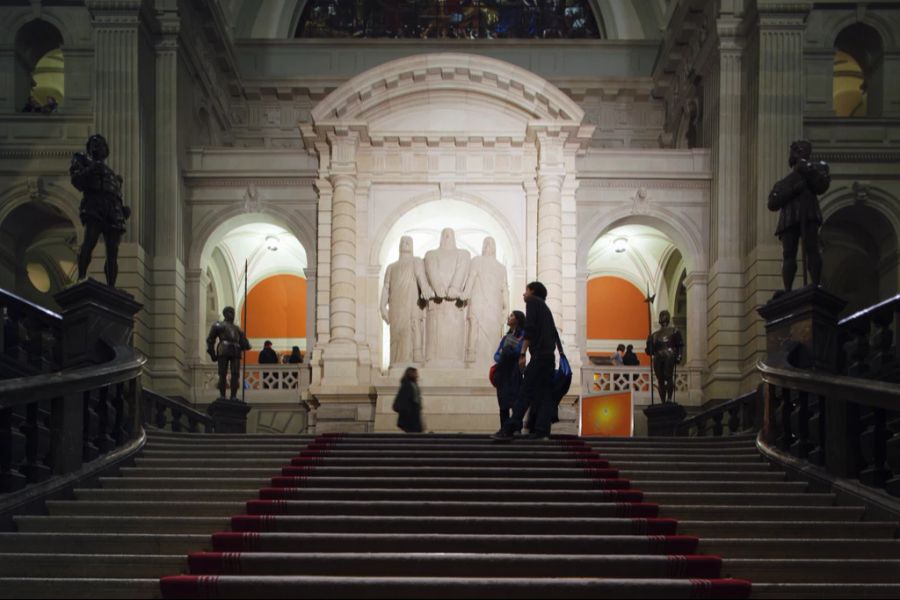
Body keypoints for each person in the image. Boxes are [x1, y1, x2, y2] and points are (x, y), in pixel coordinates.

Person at [492, 281, 558, 441]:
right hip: (549, 358)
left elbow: (530, 329)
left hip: (539, 357)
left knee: (525, 392)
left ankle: (509, 429)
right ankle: (542, 431)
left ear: (532, 291)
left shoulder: (533, 302)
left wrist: (522, 354)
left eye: (526, 291)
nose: (523, 294)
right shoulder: (546, 309)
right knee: (544, 395)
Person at [767, 139, 831, 295]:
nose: (796, 154)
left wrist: (809, 171)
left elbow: (821, 186)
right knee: (789, 253)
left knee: (812, 249)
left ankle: (815, 283)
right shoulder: (783, 183)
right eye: (795, 151)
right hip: (789, 217)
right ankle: (788, 289)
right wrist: (793, 190)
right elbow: (772, 203)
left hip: (808, 213)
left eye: (800, 151)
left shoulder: (815, 171)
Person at [70, 134, 130, 287]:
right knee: (89, 242)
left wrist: (123, 210)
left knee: (112, 252)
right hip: (94, 205)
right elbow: (76, 180)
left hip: (113, 211)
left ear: (106, 149)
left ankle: (111, 286)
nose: (97, 147)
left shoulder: (113, 175)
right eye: (93, 144)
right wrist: (91, 169)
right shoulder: (82, 159)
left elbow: (115, 194)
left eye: (100, 144)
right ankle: (81, 277)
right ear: (89, 149)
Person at [206, 306, 251, 401]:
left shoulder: (237, 329)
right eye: (230, 312)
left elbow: (246, 345)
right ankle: (222, 395)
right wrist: (212, 353)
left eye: (233, 312)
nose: (232, 314)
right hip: (224, 348)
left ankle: (233, 396)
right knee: (222, 373)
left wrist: (243, 338)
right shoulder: (219, 325)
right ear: (225, 313)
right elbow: (210, 339)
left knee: (235, 374)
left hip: (236, 350)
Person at [492, 310, 525, 430]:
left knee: (515, 402)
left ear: (518, 319)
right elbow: (496, 355)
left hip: (514, 372)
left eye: (512, 315)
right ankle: (504, 428)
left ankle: (516, 429)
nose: (509, 317)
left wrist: (505, 353)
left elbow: (518, 352)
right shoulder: (506, 337)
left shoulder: (523, 336)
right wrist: (504, 355)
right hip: (503, 373)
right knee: (503, 403)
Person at [392, 367, 423, 433]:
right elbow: (405, 400)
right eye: (415, 373)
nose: (417, 375)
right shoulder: (408, 385)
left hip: (413, 414)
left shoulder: (412, 384)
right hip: (410, 415)